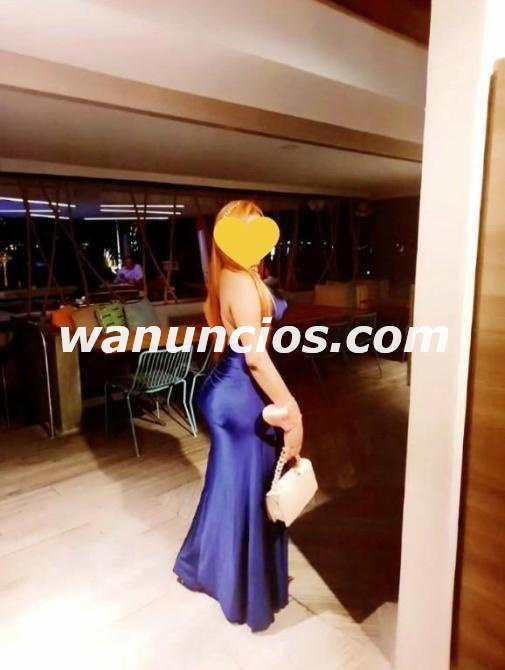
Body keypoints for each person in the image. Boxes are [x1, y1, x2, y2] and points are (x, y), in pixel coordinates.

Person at [173, 200, 303, 632]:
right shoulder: (243, 282)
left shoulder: (225, 278)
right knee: (250, 489)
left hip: (225, 387)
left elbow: (222, 337)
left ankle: (214, 569)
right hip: (240, 392)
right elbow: (256, 358)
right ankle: (241, 587)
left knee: (232, 486)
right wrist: (292, 410)